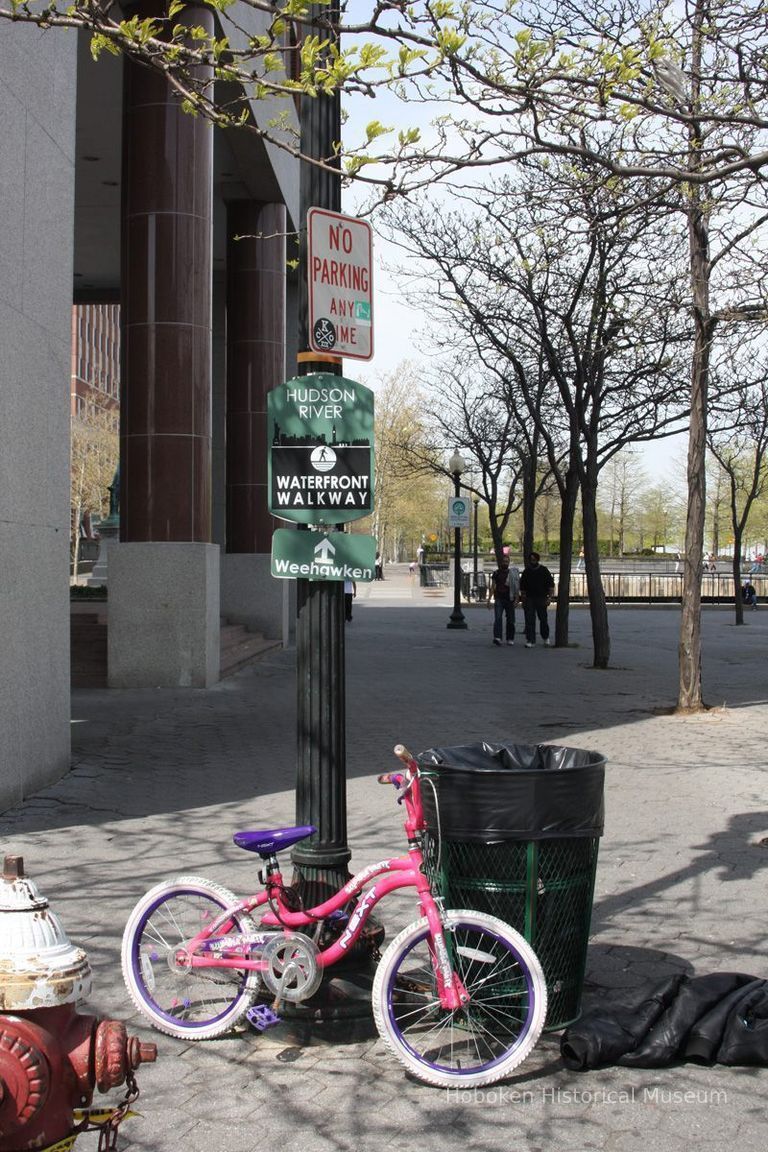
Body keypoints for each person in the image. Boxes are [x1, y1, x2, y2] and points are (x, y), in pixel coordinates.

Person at [520, 552, 555, 648]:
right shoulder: (526, 571)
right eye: (531, 560)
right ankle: (530, 639)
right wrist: (523, 599)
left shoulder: (544, 570)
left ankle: (545, 637)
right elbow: (522, 587)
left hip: (541, 597)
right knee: (530, 619)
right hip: (530, 598)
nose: (532, 561)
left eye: (534, 559)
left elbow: (551, 585)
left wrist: (549, 598)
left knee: (543, 618)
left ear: (537, 560)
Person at [488, 553, 520, 646]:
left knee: (510, 620)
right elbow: (493, 586)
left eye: (507, 561)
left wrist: (517, 599)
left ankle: (510, 638)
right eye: (504, 561)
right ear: (500, 562)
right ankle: (497, 637)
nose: (505, 563)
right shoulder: (496, 573)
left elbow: (516, 587)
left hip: (510, 599)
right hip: (499, 598)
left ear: (509, 563)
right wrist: (489, 599)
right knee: (498, 618)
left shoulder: (512, 573)